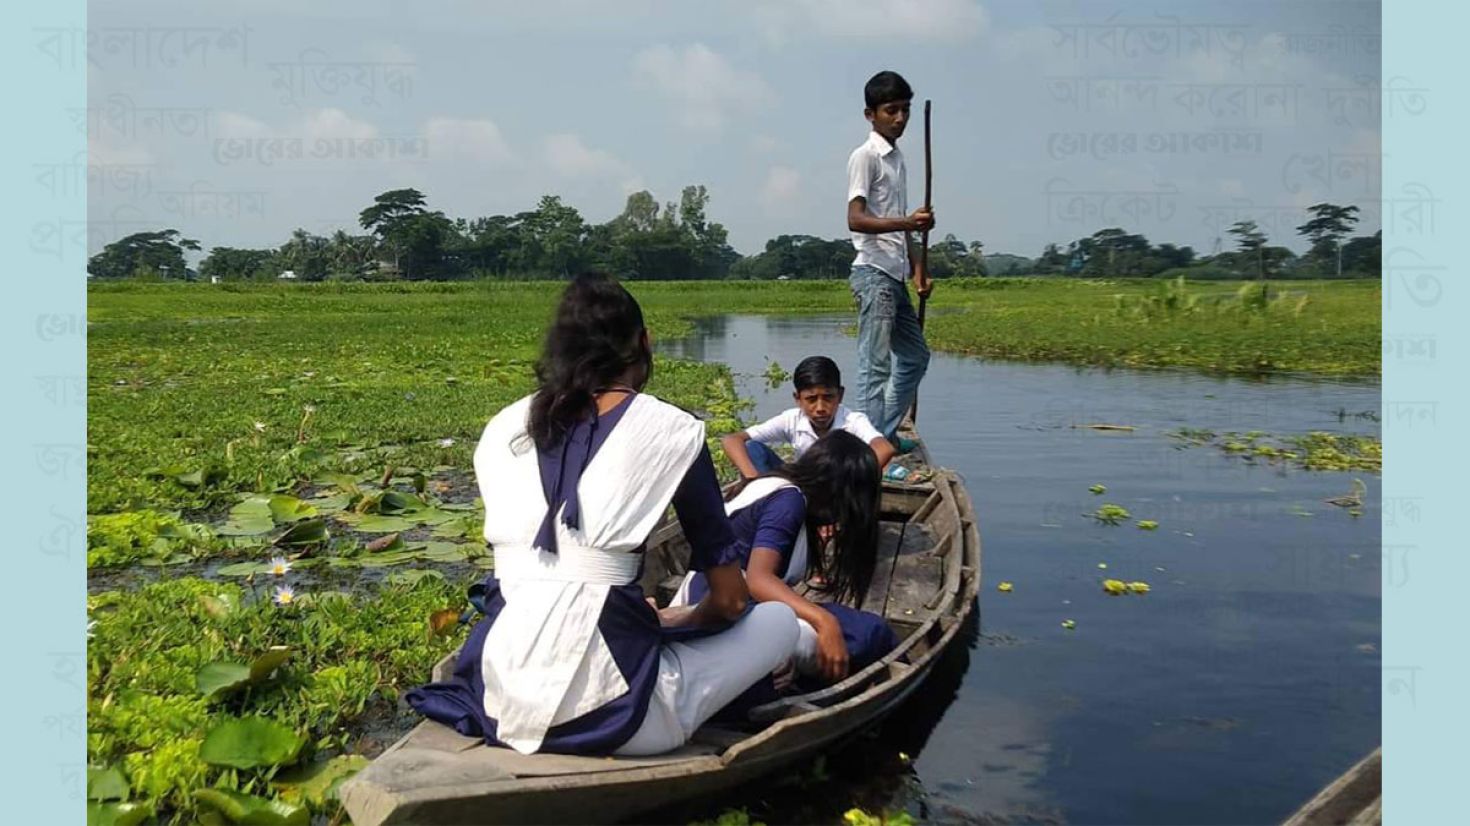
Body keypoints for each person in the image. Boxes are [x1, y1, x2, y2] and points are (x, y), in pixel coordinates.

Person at [407, 273, 798, 757]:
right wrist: (673, 622)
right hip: (618, 722)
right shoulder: (673, 430)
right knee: (779, 621)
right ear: (645, 343)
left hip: (497, 701)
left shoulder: (503, 426)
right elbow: (732, 602)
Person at [673, 431, 898, 687]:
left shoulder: (777, 486)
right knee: (872, 633)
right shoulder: (789, 500)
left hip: (722, 605)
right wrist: (825, 622)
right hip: (718, 607)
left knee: (851, 633)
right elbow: (758, 580)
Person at [846, 70, 935, 452]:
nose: (900, 118)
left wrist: (918, 271)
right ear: (871, 114)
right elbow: (856, 218)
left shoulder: (897, 159)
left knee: (915, 357)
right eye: (891, 110)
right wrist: (906, 221)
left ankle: (880, 433)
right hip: (872, 274)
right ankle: (868, 450)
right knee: (875, 366)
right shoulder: (865, 157)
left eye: (905, 110)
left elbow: (903, 229)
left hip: (894, 276)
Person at [721, 355, 896, 478]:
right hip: (804, 485)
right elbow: (732, 440)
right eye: (811, 399)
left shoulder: (852, 421)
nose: (820, 408)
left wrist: (850, 480)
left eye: (828, 398)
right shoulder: (792, 419)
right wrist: (753, 478)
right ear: (798, 399)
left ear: (840, 395)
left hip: (838, 488)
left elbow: (884, 449)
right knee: (752, 448)